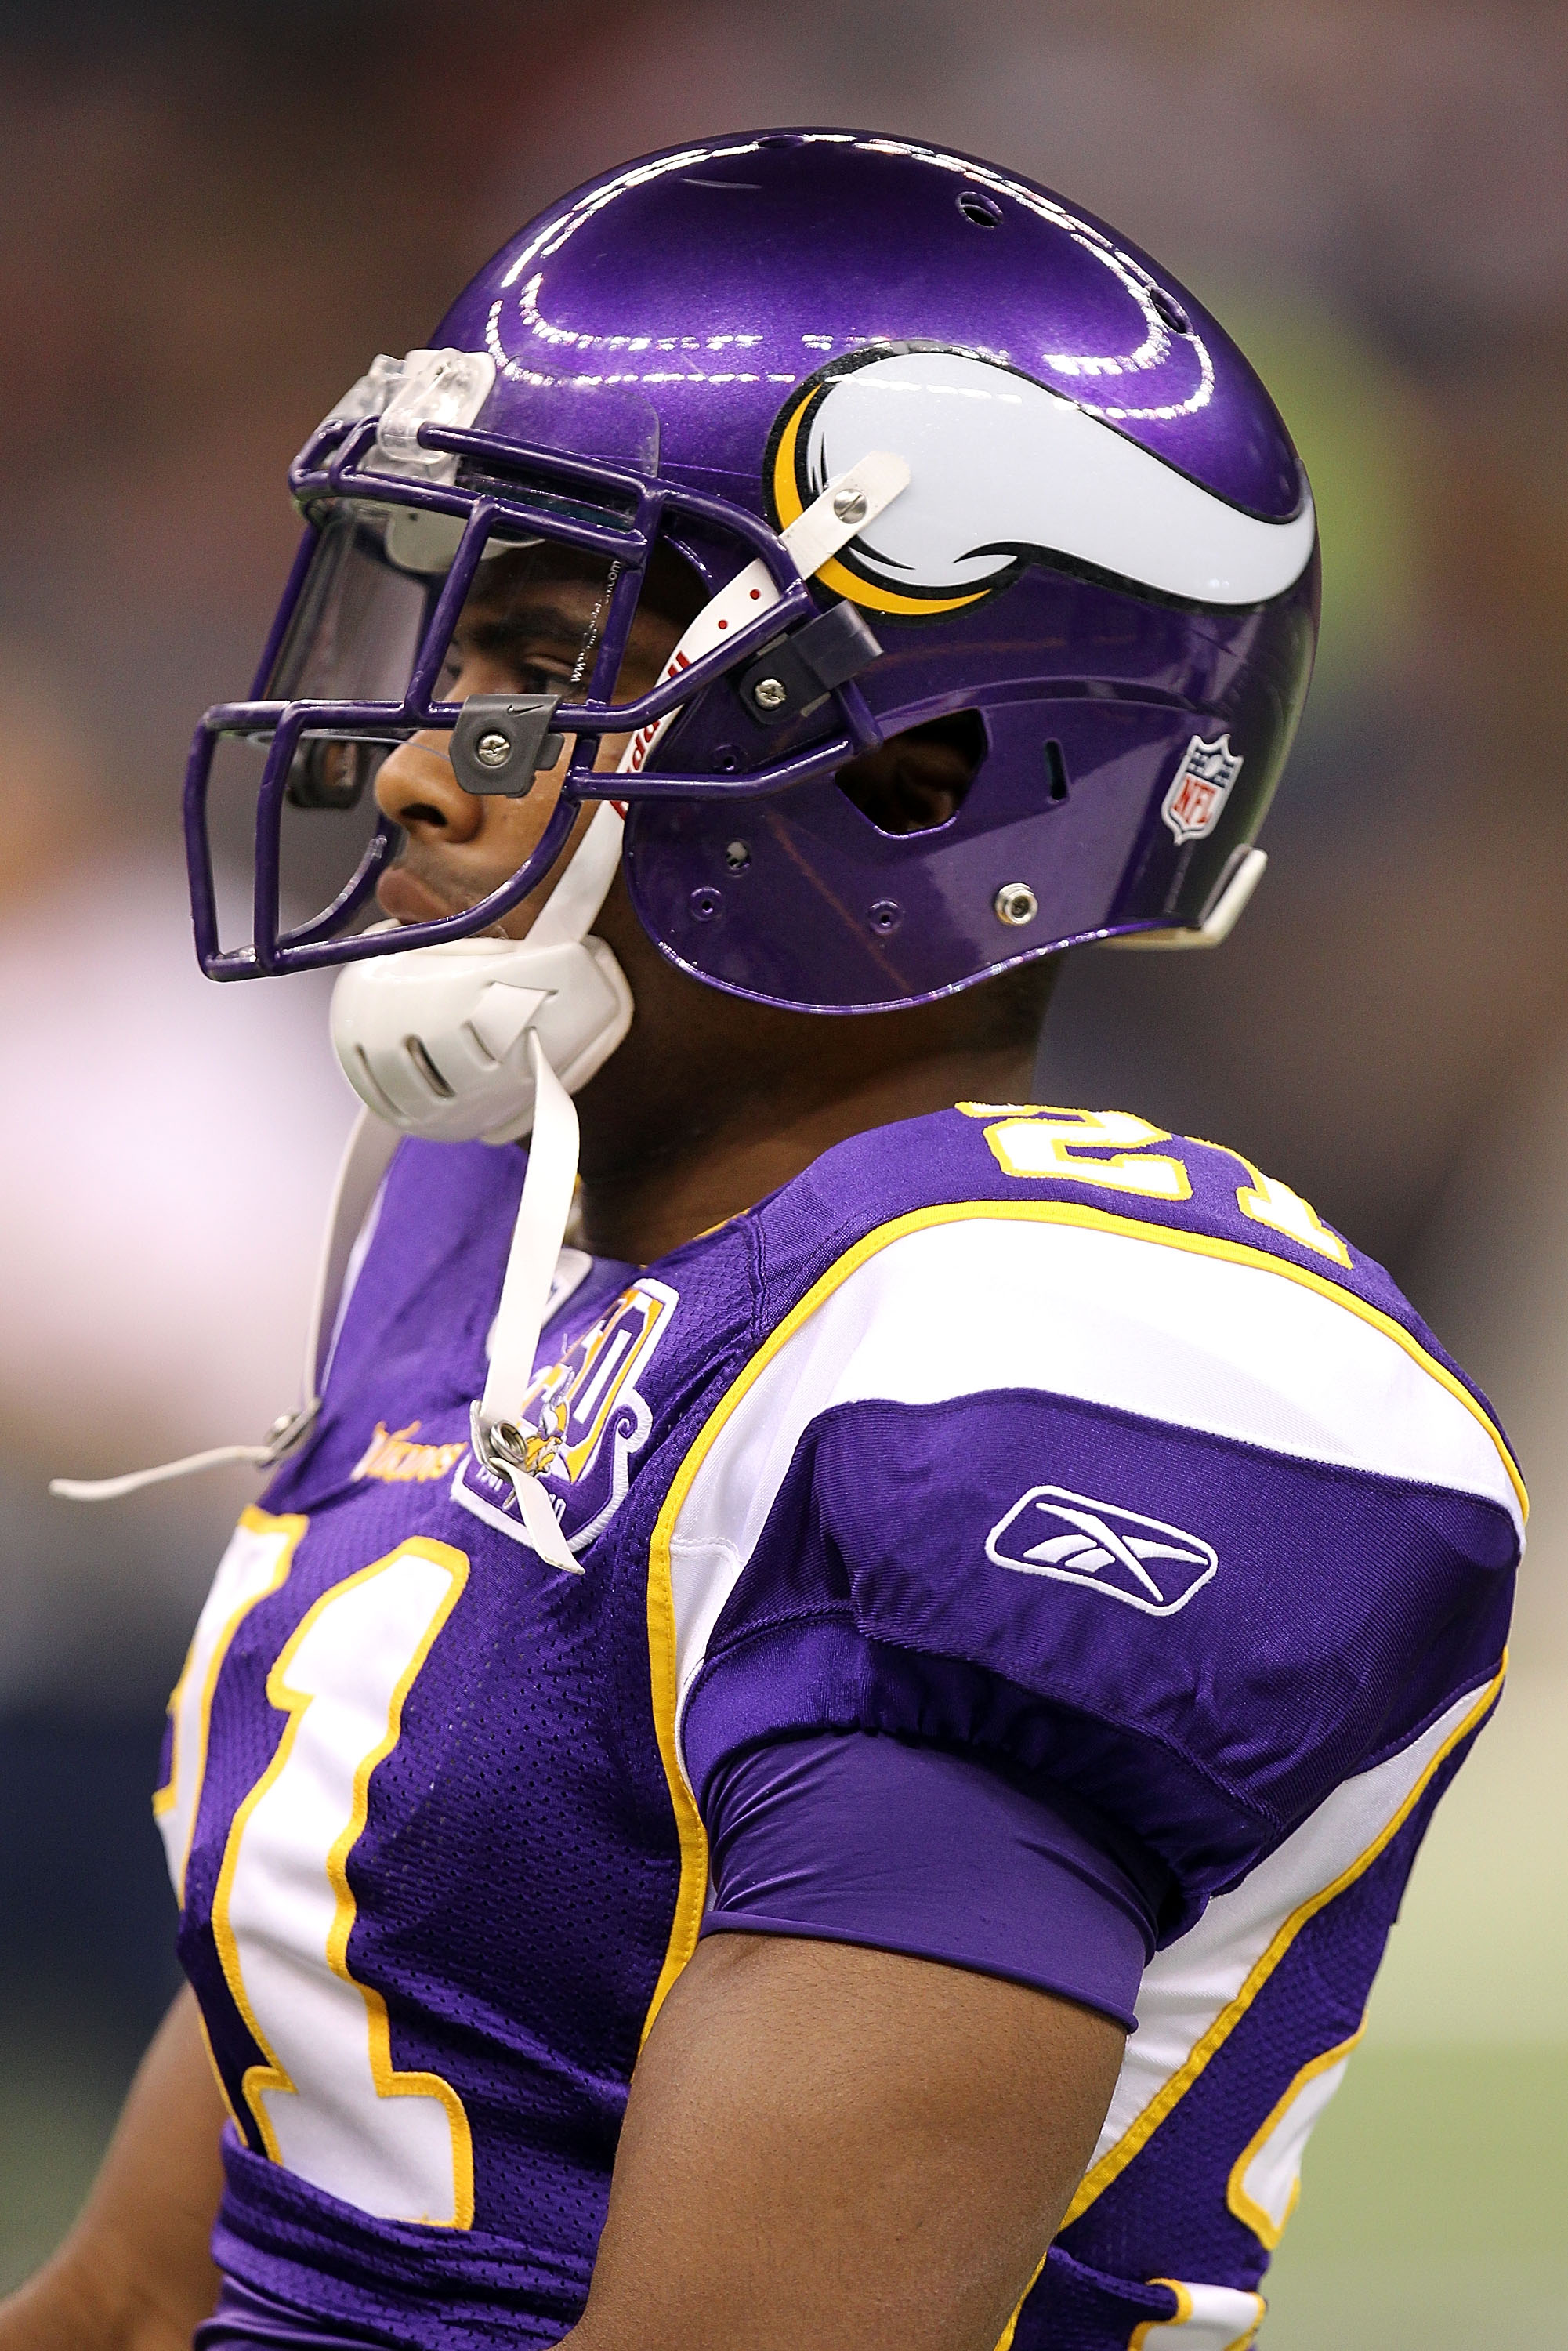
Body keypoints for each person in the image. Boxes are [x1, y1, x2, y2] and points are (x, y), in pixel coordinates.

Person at [5, 132, 1521, 2351]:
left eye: (533, 661)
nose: (424, 766)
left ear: (915, 771)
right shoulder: (491, 1224)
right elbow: (161, 2284)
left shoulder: (1033, 1372)